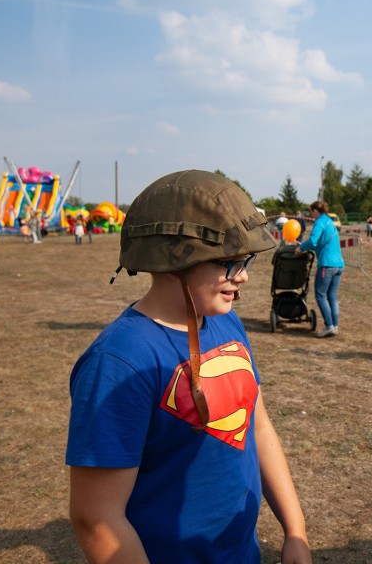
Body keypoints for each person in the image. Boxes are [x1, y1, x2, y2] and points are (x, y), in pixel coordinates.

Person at [66, 170, 312, 564]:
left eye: (244, 260)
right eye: (228, 262)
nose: (243, 275)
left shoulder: (223, 321)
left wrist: (295, 530)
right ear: (172, 262)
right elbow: (96, 518)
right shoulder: (118, 362)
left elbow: (258, 425)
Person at [296, 200, 344, 338]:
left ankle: (329, 326)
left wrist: (301, 248)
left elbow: (313, 240)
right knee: (332, 297)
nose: (311, 214)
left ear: (315, 211)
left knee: (320, 295)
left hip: (327, 264)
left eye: (311, 211)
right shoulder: (329, 222)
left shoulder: (320, 222)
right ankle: (334, 326)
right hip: (339, 265)